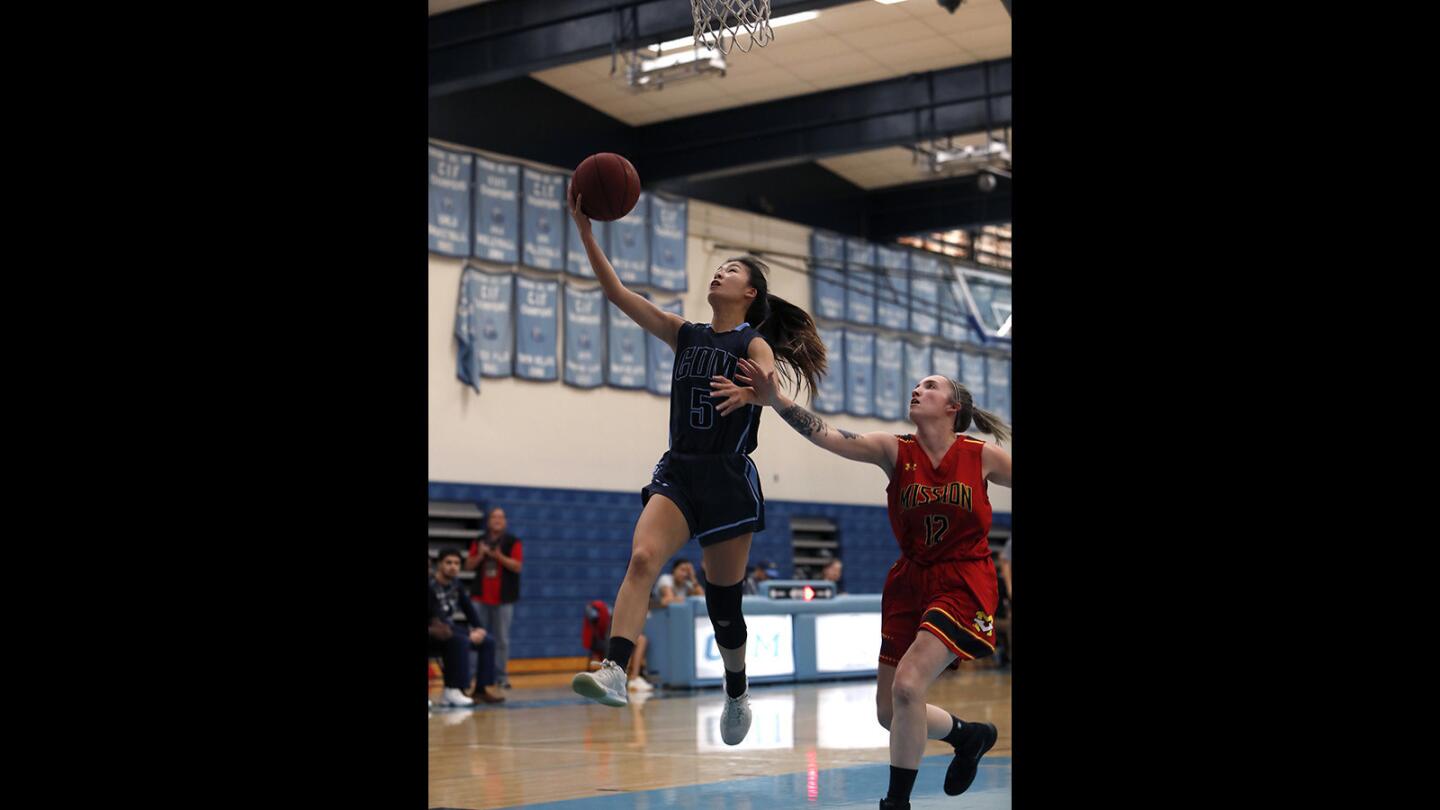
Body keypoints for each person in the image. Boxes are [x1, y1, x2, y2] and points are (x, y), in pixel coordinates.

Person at [566, 189, 827, 748]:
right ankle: (614, 668)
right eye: (718, 268)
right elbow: (616, 293)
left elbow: (770, 388)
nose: (719, 273)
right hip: (681, 469)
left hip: (729, 477)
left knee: (722, 602)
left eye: (730, 270)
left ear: (749, 292)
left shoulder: (752, 342)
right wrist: (586, 231)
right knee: (642, 558)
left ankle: (737, 689)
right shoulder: (685, 334)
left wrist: (755, 394)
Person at [713, 364, 1011, 810]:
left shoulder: (980, 455)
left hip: (963, 578)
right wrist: (778, 401)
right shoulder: (894, 450)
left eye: (930, 386)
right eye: (917, 382)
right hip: (910, 581)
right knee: (890, 713)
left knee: (909, 686)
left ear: (953, 408)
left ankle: (896, 803)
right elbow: (830, 435)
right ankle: (969, 736)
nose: (917, 388)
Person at [429, 549, 504, 706]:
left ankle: (481, 690)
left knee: (488, 640)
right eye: (448, 563)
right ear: (439, 565)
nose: (453, 567)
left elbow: (468, 609)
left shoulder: (457, 585)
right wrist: (469, 633)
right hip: (435, 632)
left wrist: (479, 628)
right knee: (460, 640)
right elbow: (438, 619)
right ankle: (456, 689)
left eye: (456, 563)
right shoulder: (431, 586)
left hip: (448, 630)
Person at [466, 506, 522, 688]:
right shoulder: (479, 541)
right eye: (494, 517)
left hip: (503, 599)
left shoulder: (513, 542)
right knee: (476, 636)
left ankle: (501, 677)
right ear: (488, 521)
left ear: (505, 521)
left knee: (502, 639)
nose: (497, 520)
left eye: (500, 517)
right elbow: (468, 566)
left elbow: (517, 566)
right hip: (480, 598)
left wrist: (498, 556)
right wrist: (481, 554)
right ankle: (471, 675)